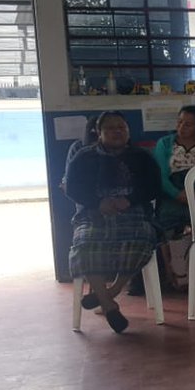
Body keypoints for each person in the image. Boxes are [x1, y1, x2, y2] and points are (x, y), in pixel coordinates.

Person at [64, 111, 162, 334]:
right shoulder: (84, 157)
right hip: (93, 213)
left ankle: (111, 291)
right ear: (99, 133)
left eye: (122, 128)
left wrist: (129, 200)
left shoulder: (142, 157)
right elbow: (72, 188)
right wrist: (97, 203)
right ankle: (109, 305)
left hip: (133, 212)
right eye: (110, 128)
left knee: (142, 239)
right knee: (85, 243)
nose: (117, 132)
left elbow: (154, 187)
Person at [153, 105, 195, 284]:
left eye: (188, 125)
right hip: (172, 195)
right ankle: (173, 274)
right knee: (165, 225)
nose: (182, 127)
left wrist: (194, 190)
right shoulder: (165, 143)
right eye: (180, 122)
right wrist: (177, 194)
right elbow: (160, 176)